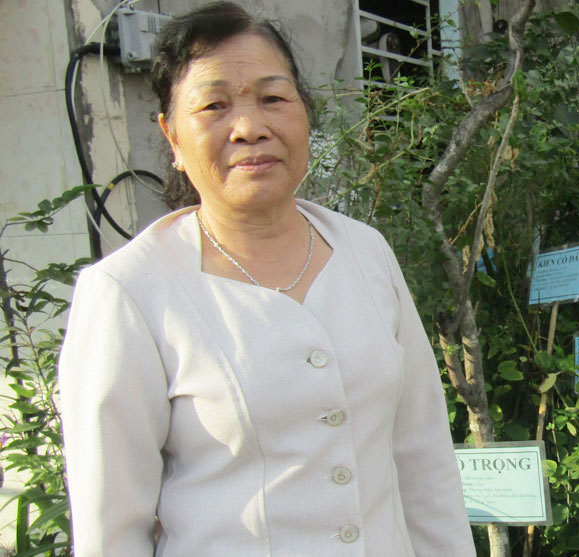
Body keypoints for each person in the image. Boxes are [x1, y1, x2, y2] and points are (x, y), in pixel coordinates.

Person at [58, 2, 475, 556]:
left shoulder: (365, 252)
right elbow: (111, 531)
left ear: (305, 115)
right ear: (173, 137)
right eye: (213, 106)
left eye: (274, 99)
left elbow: (424, 463)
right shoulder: (131, 292)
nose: (250, 128)